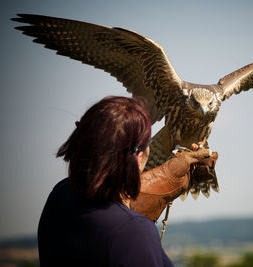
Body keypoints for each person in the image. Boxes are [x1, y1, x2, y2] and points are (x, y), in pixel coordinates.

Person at [37, 96, 217, 267]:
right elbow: (120, 225)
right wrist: (165, 179)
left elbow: (106, 208)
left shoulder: (61, 194)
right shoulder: (134, 232)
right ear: (139, 156)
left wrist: (166, 177)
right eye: (148, 143)